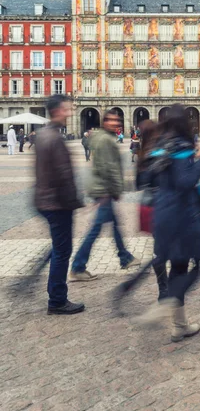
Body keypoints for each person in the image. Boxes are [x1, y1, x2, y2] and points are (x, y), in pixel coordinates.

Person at [137, 104, 200, 342]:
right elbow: (186, 181)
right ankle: (165, 306)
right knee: (197, 264)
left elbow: (145, 178)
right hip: (182, 217)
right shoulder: (183, 148)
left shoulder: (160, 146)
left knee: (177, 267)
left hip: (162, 214)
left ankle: (180, 325)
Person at [70, 110, 138, 281]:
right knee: (96, 229)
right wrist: (115, 190)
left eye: (118, 121)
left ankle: (124, 256)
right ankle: (78, 266)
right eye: (113, 121)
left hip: (102, 188)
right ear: (105, 121)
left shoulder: (101, 137)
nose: (116, 124)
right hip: (104, 190)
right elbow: (109, 168)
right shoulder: (106, 140)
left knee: (114, 224)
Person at [35, 95, 84, 314]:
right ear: (57, 110)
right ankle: (57, 300)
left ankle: (54, 292)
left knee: (58, 247)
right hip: (57, 203)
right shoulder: (54, 138)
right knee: (63, 251)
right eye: (66, 109)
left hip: (45, 200)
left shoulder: (43, 134)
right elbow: (63, 175)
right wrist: (73, 202)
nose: (70, 112)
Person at [136, 120, 168, 301]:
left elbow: (139, 183)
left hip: (148, 205)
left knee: (159, 249)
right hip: (163, 204)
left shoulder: (142, 153)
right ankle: (167, 291)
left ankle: (163, 289)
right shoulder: (161, 151)